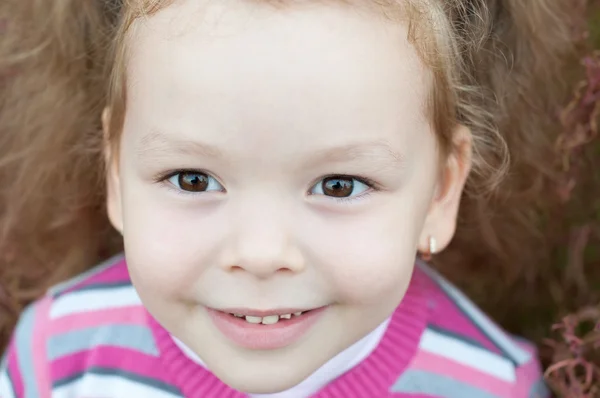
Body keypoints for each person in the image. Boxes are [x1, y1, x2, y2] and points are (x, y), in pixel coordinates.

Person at [0, 0, 572, 397]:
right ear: (117, 175)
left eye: (339, 185)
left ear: (440, 193)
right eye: (193, 179)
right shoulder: (59, 358)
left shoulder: (489, 385)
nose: (260, 252)